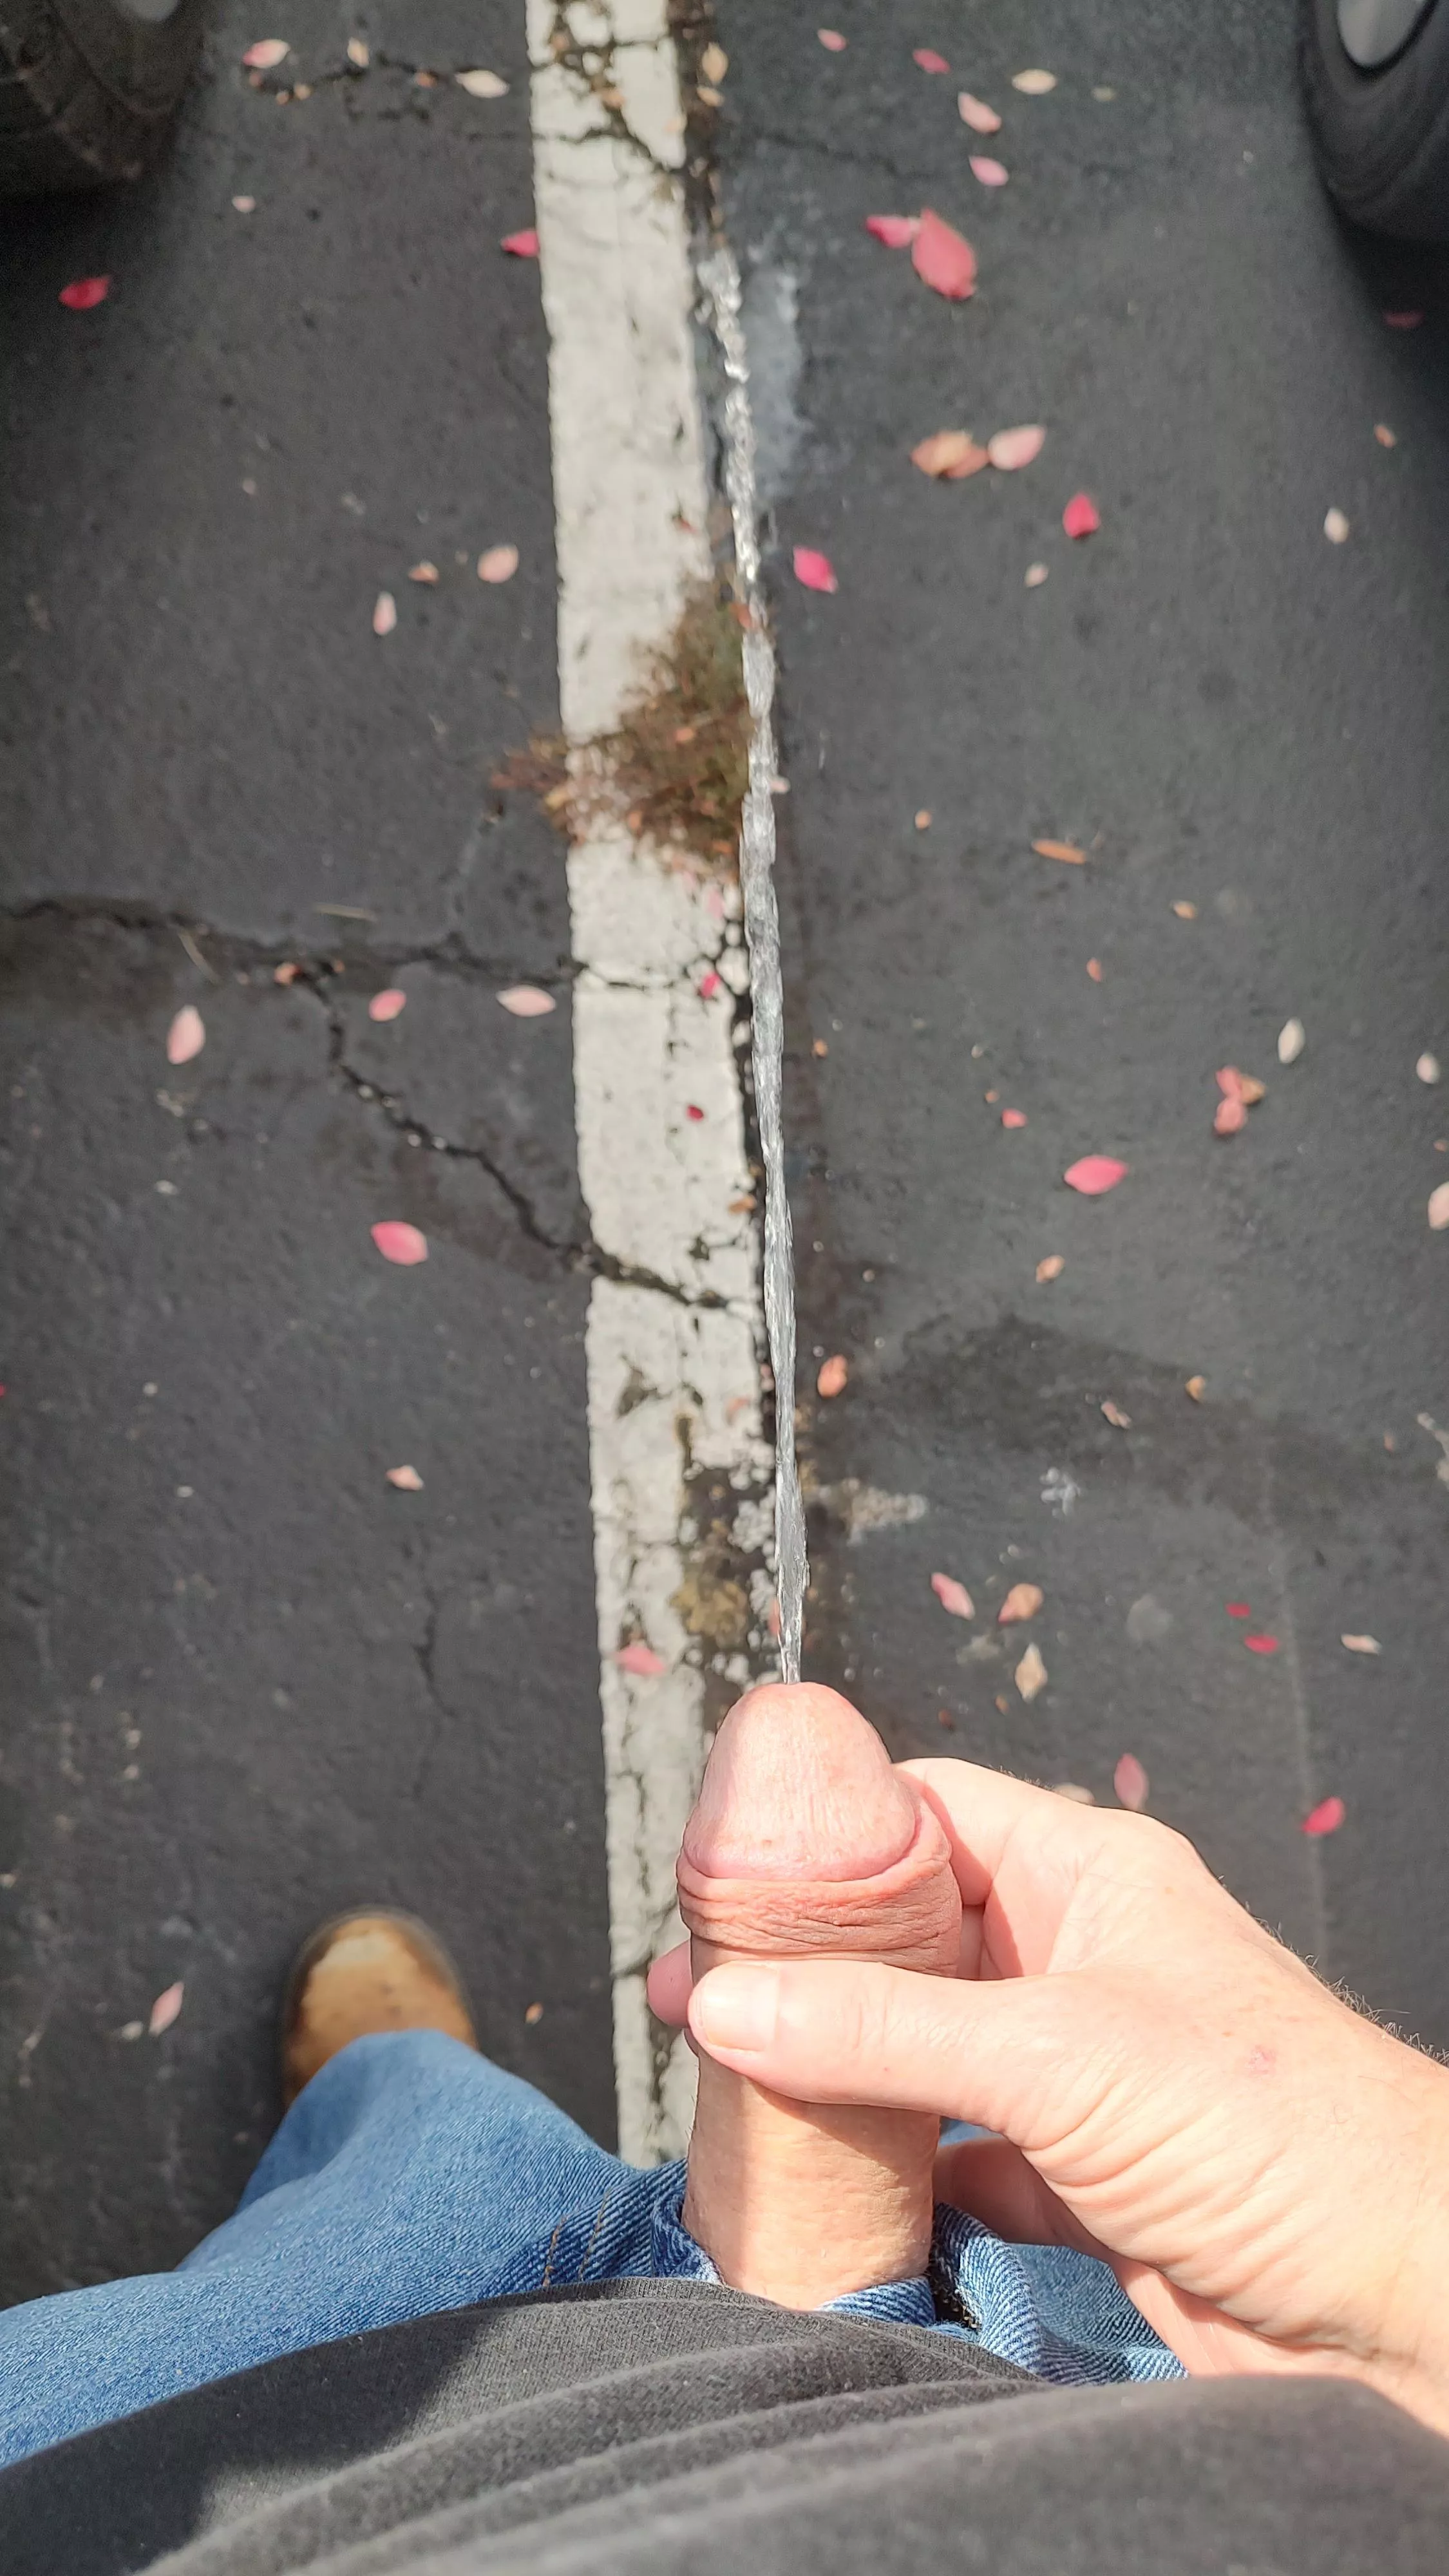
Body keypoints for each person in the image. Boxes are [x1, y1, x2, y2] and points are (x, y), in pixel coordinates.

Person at [3, 1683, 1449, 2575]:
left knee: (406, 2208)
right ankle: (826, 2338)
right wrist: (1406, 2255)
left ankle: (397, 2091)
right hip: (1181, 2484)